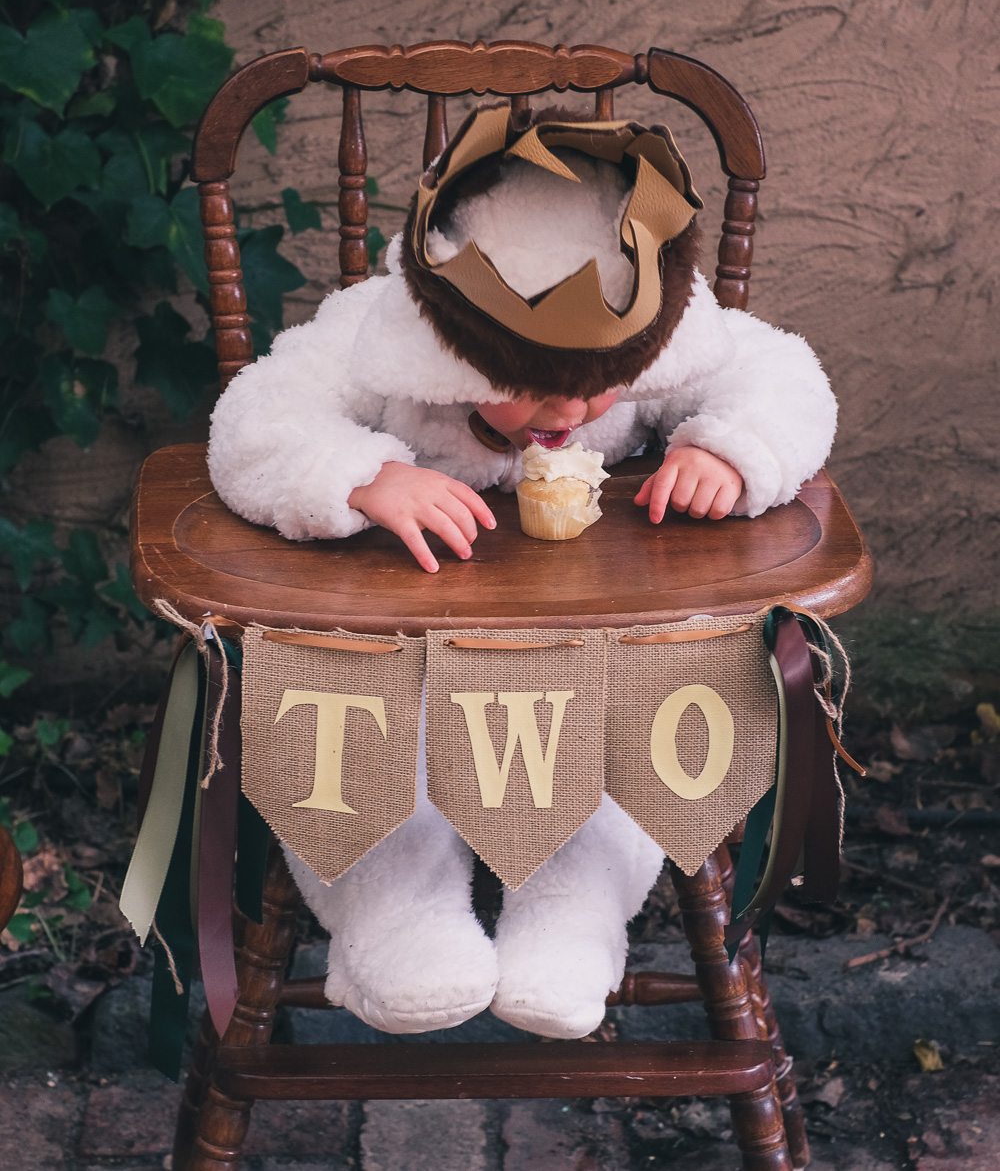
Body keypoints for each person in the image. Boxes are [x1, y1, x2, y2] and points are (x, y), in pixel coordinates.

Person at [207, 105, 837, 1038]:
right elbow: (254, 419)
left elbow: (784, 376)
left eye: (598, 385)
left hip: (588, 660)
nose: (572, 411)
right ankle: (396, 917)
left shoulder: (646, 342)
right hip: (410, 657)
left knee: (634, 728)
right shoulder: (389, 337)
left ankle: (573, 915)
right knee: (354, 725)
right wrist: (361, 476)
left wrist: (734, 451)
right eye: (534, 386)